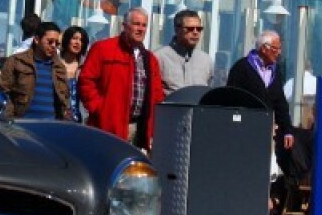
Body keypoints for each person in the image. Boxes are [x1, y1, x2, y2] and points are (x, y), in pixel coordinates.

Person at [78, 8, 164, 150]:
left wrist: (152, 128)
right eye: (136, 24)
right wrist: (99, 109)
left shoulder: (150, 58)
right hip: (108, 127)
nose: (141, 29)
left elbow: (157, 95)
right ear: (124, 26)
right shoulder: (102, 48)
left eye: (144, 25)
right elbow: (86, 81)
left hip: (138, 129)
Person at [226, 30, 294, 153]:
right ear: (264, 49)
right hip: (243, 130)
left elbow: (280, 103)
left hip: (266, 131)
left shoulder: (276, 71)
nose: (279, 53)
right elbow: (231, 98)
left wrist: (287, 130)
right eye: (275, 49)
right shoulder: (241, 68)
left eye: (280, 49)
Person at [0, 21, 70, 120]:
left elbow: (64, 99)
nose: (53, 46)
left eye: (57, 43)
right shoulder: (16, 61)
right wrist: (10, 119)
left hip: (52, 128)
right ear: (36, 39)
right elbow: (2, 92)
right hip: (22, 126)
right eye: (50, 41)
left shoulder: (59, 67)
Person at [154, 9, 214, 97]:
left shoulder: (206, 60)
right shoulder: (159, 57)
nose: (195, 32)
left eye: (199, 29)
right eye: (190, 29)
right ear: (177, 29)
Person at [59, 25, 89, 122]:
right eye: (74, 38)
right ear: (67, 40)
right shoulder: (55, 64)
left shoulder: (86, 66)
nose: (78, 43)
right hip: (57, 118)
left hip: (80, 119)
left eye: (81, 40)